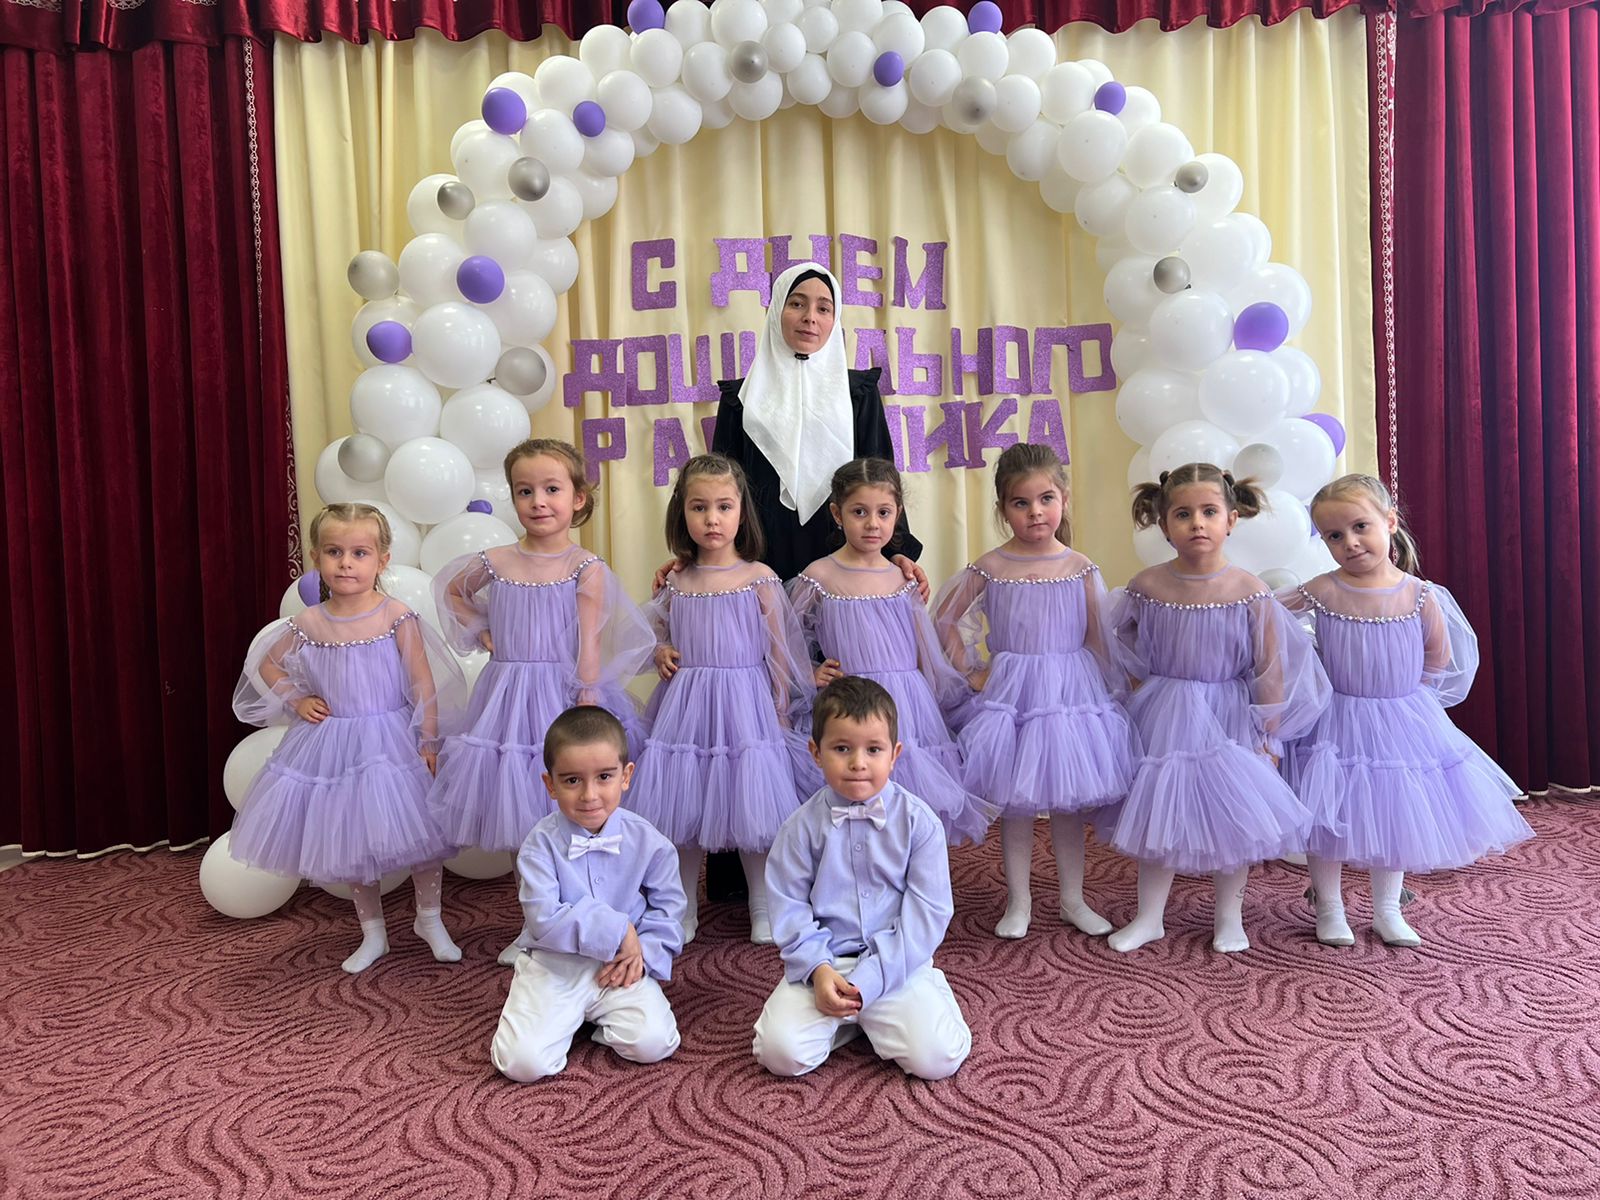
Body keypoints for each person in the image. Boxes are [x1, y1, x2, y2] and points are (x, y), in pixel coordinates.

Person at [1281, 473, 1533, 947]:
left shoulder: (1419, 595)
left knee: (1396, 810)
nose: (1350, 543)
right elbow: (1268, 618)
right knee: (1326, 814)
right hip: (1337, 718)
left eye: (1360, 527)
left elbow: (1439, 658)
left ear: (1390, 522)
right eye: (1334, 535)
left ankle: (1387, 909)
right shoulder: (1322, 589)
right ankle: (1329, 907)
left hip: (1401, 716)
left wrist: (1409, 702)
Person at [428, 438, 653, 964]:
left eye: (552, 489)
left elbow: (590, 641)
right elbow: (451, 590)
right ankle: (534, 922)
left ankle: (590, 912)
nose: (538, 501)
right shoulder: (495, 561)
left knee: (575, 807)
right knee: (520, 811)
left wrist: (587, 701)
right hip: (507, 698)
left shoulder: (584, 566)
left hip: (563, 697)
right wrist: (483, 629)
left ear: (578, 498)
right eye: (525, 491)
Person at [1104, 463, 1330, 954]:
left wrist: (1269, 732)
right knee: (1157, 810)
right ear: (1164, 524)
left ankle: (1229, 917)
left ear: (1231, 519)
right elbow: (1117, 637)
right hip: (1164, 713)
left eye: (1209, 512)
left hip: (1230, 713)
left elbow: (1270, 665)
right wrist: (1139, 686)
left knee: (1234, 816)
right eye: (1183, 514)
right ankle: (1149, 917)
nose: (1197, 524)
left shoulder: (1249, 590)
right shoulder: (1147, 585)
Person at [231, 503, 466, 974]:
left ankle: (429, 918)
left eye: (359, 553)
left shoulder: (396, 615)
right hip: (334, 744)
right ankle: (373, 932)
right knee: (351, 840)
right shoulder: (309, 623)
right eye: (334, 552)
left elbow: (422, 681)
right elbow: (266, 663)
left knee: (426, 836)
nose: (346, 563)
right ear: (316, 557)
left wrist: (428, 739)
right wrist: (297, 699)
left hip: (394, 740)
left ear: (382, 560)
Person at [933, 443, 1138, 939]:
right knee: (1017, 804)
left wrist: (1108, 696)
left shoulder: (1080, 566)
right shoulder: (991, 566)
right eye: (1020, 503)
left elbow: (1099, 638)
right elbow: (943, 618)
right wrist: (971, 670)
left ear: (1064, 499)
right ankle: (1018, 902)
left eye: (1046, 499)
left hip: (1069, 695)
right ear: (1003, 509)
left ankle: (1073, 899)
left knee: (1068, 804)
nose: (1035, 512)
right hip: (1013, 696)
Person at [626, 453, 822, 945]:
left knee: (754, 809)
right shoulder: (676, 581)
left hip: (747, 704)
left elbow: (780, 649)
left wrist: (780, 706)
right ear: (682, 513)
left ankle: (763, 904)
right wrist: (661, 650)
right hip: (688, 706)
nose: (712, 519)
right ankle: (682, 905)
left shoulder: (759, 577)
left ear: (741, 512)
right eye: (699, 508)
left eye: (723, 507)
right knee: (682, 807)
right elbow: (655, 632)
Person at [752, 677, 972, 1080]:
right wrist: (818, 969)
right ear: (816, 753)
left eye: (873, 749)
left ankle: (916, 997)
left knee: (937, 1059)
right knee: (778, 1054)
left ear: (894, 754)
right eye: (842, 749)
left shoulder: (919, 823)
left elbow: (928, 914)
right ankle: (856, 1022)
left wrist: (871, 979)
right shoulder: (798, 828)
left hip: (896, 960)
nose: (858, 763)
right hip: (826, 961)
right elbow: (789, 906)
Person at [789, 458, 995, 846]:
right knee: (852, 797)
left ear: (897, 514)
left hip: (907, 703)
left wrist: (943, 693)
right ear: (837, 514)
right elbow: (786, 637)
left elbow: (923, 648)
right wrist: (808, 672)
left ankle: (907, 873)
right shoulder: (819, 576)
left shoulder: (904, 577)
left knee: (907, 804)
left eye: (883, 513)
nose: (872, 524)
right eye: (859, 512)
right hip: (848, 701)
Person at [490, 706, 686, 1082]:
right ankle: (554, 1013)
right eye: (572, 781)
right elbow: (543, 917)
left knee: (655, 1043)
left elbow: (669, 909)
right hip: (555, 966)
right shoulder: (539, 845)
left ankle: (586, 1021)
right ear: (550, 784)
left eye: (604, 777)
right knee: (522, 1064)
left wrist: (642, 954)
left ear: (626, 776)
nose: (589, 795)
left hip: (620, 965)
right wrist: (620, 930)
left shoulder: (650, 841)